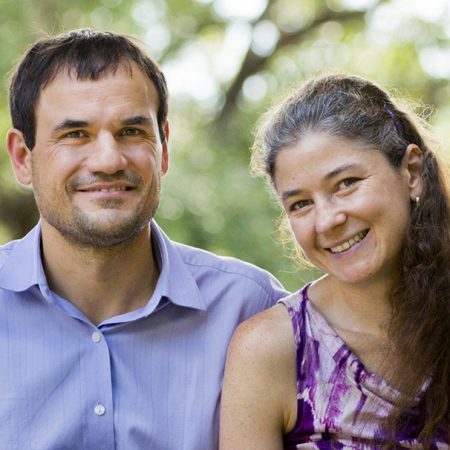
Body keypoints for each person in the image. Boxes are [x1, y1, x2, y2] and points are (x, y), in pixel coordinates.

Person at [1, 29, 287, 450]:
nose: (108, 160)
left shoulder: (250, 310)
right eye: (75, 134)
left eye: (132, 132)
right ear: (23, 158)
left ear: (164, 148)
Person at [220, 74, 450, 449]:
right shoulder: (272, 349)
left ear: (411, 172)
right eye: (301, 204)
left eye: (346, 183)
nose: (327, 220)